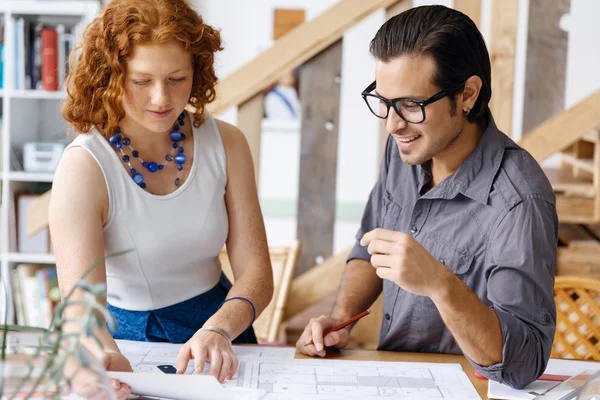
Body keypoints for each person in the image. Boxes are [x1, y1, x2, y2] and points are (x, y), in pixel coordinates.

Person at [296, 5, 557, 390]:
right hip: (391, 381)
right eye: (383, 101)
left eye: (410, 105)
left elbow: (524, 361)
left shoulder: (520, 198)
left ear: (467, 94)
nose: (392, 123)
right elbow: (370, 246)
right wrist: (341, 319)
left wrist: (437, 282)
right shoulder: (405, 148)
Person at [50, 0, 273, 396]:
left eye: (177, 78)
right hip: (125, 338)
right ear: (110, 76)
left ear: (197, 72)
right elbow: (82, 309)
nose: (161, 99)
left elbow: (257, 274)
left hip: (222, 324)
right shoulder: (84, 166)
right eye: (141, 81)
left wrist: (219, 328)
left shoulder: (228, 142)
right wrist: (99, 353)